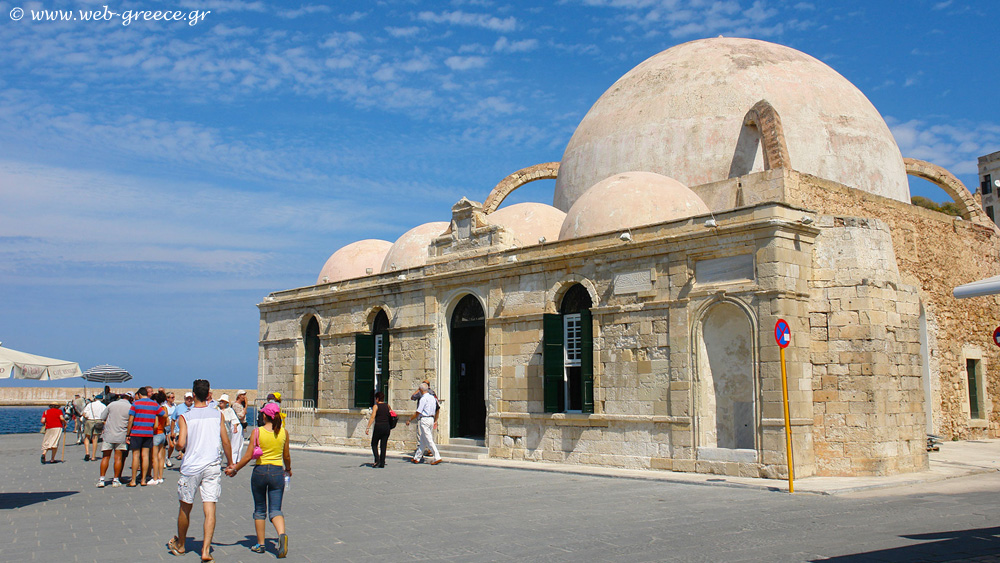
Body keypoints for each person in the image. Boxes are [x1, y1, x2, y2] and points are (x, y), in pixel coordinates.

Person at [168, 379, 235, 562]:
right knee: (210, 507)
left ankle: (181, 545)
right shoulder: (217, 415)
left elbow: (181, 444)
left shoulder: (185, 417)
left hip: (191, 467)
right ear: (208, 395)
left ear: (193, 394)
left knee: (185, 507)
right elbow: (226, 441)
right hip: (212, 465)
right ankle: (206, 550)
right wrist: (231, 463)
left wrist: (176, 444)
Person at [228, 402, 291, 558]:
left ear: (264, 416)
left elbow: (248, 456)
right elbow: (286, 456)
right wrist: (288, 469)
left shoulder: (257, 432)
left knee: (260, 509)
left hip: (260, 471)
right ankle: (281, 534)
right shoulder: (283, 433)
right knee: (276, 509)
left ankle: (261, 544)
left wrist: (235, 469)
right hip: (277, 472)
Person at [98, 393, 131, 487]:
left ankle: (101, 479)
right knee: (118, 458)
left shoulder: (111, 404)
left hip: (109, 434)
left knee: (105, 457)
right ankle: (116, 479)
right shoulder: (130, 407)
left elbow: (102, 417)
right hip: (121, 435)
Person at [405, 383, 442, 465]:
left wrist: (410, 419)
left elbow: (418, 411)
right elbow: (437, 408)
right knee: (423, 439)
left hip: (424, 419)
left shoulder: (423, 399)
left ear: (421, 390)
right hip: (431, 418)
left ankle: (437, 456)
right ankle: (417, 457)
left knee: (428, 439)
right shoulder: (433, 398)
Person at [365, 391, 392, 468]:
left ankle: (377, 460)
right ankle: (382, 462)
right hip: (387, 427)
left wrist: (368, 427)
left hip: (379, 426)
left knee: (374, 443)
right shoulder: (388, 406)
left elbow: (373, 417)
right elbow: (391, 414)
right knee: (383, 445)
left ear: (377, 398)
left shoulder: (376, 406)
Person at [150, 391, 169, 485]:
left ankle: (155, 478)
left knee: (155, 457)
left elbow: (156, 424)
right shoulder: (165, 408)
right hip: (162, 433)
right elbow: (167, 423)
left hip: (156, 433)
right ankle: (160, 477)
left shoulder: (155, 410)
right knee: (161, 457)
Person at [217, 394, 243, 464]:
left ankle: (229, 461)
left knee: (225, 447)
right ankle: (218, 462)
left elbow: (234, 419)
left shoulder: (229, 410)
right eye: (220, 401)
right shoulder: (216, 410)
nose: (221, 403)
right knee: (218, 447)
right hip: (217, 431)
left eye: (222, 401)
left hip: (227, 431)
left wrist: (235, 428)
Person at [81, 397, 107, 461]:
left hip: (89, 421)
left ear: (95, 399)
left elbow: (84, 413)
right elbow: (105, 415)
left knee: (87, 437)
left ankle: (87, 453)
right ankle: (93, 456)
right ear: (101, 399)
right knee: (95, 438)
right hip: (98, 421)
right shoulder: (103, 406)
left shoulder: (90, 405)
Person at [171, 392, 194, 461]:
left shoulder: (195, 407)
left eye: (190, 398)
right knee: (182, 448)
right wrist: (172, 431)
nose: (189, 400)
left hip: (191, 431)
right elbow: (173, 419)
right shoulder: (179, 408)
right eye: (187, 398)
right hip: (180, 431)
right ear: (184, 398)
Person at [164, 391, 177, 467]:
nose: (173, 399)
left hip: (172, 427)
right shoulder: (164, 406)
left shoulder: (175, 406)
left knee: (172, 445)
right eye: (172, 397)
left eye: (173, 397)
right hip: (165, 427)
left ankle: (168, 457)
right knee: (164, 445)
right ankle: (162, 460)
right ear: (167, 398)